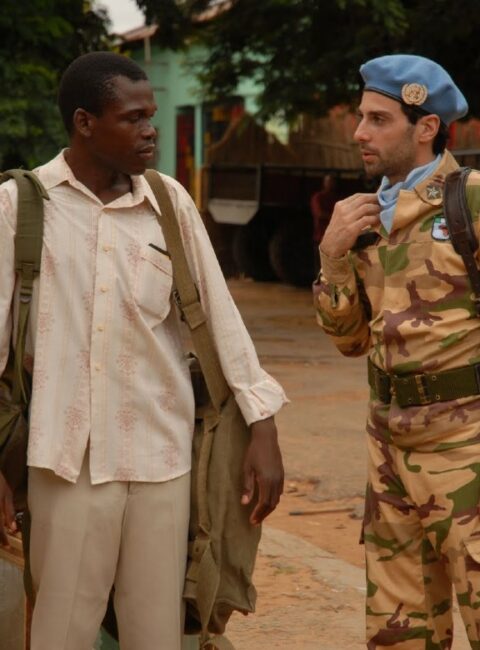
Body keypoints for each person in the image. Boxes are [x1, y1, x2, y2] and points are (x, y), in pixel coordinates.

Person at [0, 51, 287, 650]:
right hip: (66, 461)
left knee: (158, 634)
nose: (150, 130)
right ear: (84, 123)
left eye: (150, 116)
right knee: (61, 632)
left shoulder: (169, 203)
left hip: (163, 458)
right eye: (133, 118)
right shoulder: (19, 208)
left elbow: (221, 317)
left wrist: (262, 425)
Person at [314, 53, 480, 648]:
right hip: (387, 449)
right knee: (397, 634)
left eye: (378, 120)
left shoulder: (470, 202)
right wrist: (333, 256)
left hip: (467, 450)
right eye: (361, 117)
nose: (359, 132)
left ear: (426, 127)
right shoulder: (363, 217)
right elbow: (349, 341)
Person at [310, 174, 338, 274]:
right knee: (320, 266)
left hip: (333, 238)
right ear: (324, 183)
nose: (331, 184)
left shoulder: (335, 198)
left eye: (332, 182)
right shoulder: (318, 197)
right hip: (320, 237)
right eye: (329, 182)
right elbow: (319, 213)